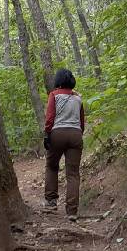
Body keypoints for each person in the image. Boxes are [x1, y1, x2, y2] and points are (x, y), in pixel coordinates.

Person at [42, 68, 85, 222]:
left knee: (52, 166)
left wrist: (47, 134)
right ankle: (72, 211)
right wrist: (79, 134)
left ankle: (51, 202)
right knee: (73, 173)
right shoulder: (78, 98)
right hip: (75, 134)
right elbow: (82, 121)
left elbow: (50, 118)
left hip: (57, 134)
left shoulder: (54, 95)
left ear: (58, 80)